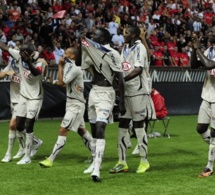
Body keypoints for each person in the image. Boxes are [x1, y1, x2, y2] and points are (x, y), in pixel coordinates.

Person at [80, 28, 126, 182]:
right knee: (93, 128)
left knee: (100, 127)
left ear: (104, 38)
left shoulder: (113, 53)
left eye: (96, 35)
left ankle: (97, 169)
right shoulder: (92, 51)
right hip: (93, 92)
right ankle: (94, 162)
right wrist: (82, 45)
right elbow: (81, 63)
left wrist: (122, 101)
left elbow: (120, 78)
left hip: (107, 93)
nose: (93, 37)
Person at [39, 47, 93, 168]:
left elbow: (61, 82)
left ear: (72, 56)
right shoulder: (69, 65)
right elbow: (64, 84)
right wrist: (53, 81)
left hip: (76, 104)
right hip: (72, 102)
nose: (63, 56)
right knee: (81, 131)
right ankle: (96, 153)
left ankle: (51, 159)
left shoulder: (75, 68)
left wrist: (59, 66)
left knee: (63, 129)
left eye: (65, 54)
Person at [110, 25, 152, 174]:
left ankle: (144, 161)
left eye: (126, 33)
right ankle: (122, 162)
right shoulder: (125, 48)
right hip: (127, 92)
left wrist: (122, 80)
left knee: (139, 126)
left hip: (138, 92)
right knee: (122, 125)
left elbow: (138, 69)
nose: (124, 34)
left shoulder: (139, 47)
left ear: (134, 35)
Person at [0, 41, 46, 165]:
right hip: (23, 96)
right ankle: (35, 143)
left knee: (29, 124)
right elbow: (5, 47)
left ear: (30, 54)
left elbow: (36, 73)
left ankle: (27, 156)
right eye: (20, 53)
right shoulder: (20, 56)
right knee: (19, 126)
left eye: (24, 54)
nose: (21, 55)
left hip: (35, 98)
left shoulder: (40, 62)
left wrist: (28, 61)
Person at [190, 26, 215, 177]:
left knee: (213, 133)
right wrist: (194, 50)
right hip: (207, 95)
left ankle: (209, 166)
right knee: (201, 128)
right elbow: (194, 65)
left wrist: (198, 48)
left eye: (212, 32)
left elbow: (209, 65)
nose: (209, 34)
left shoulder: (207, 51)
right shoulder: (210, 50)